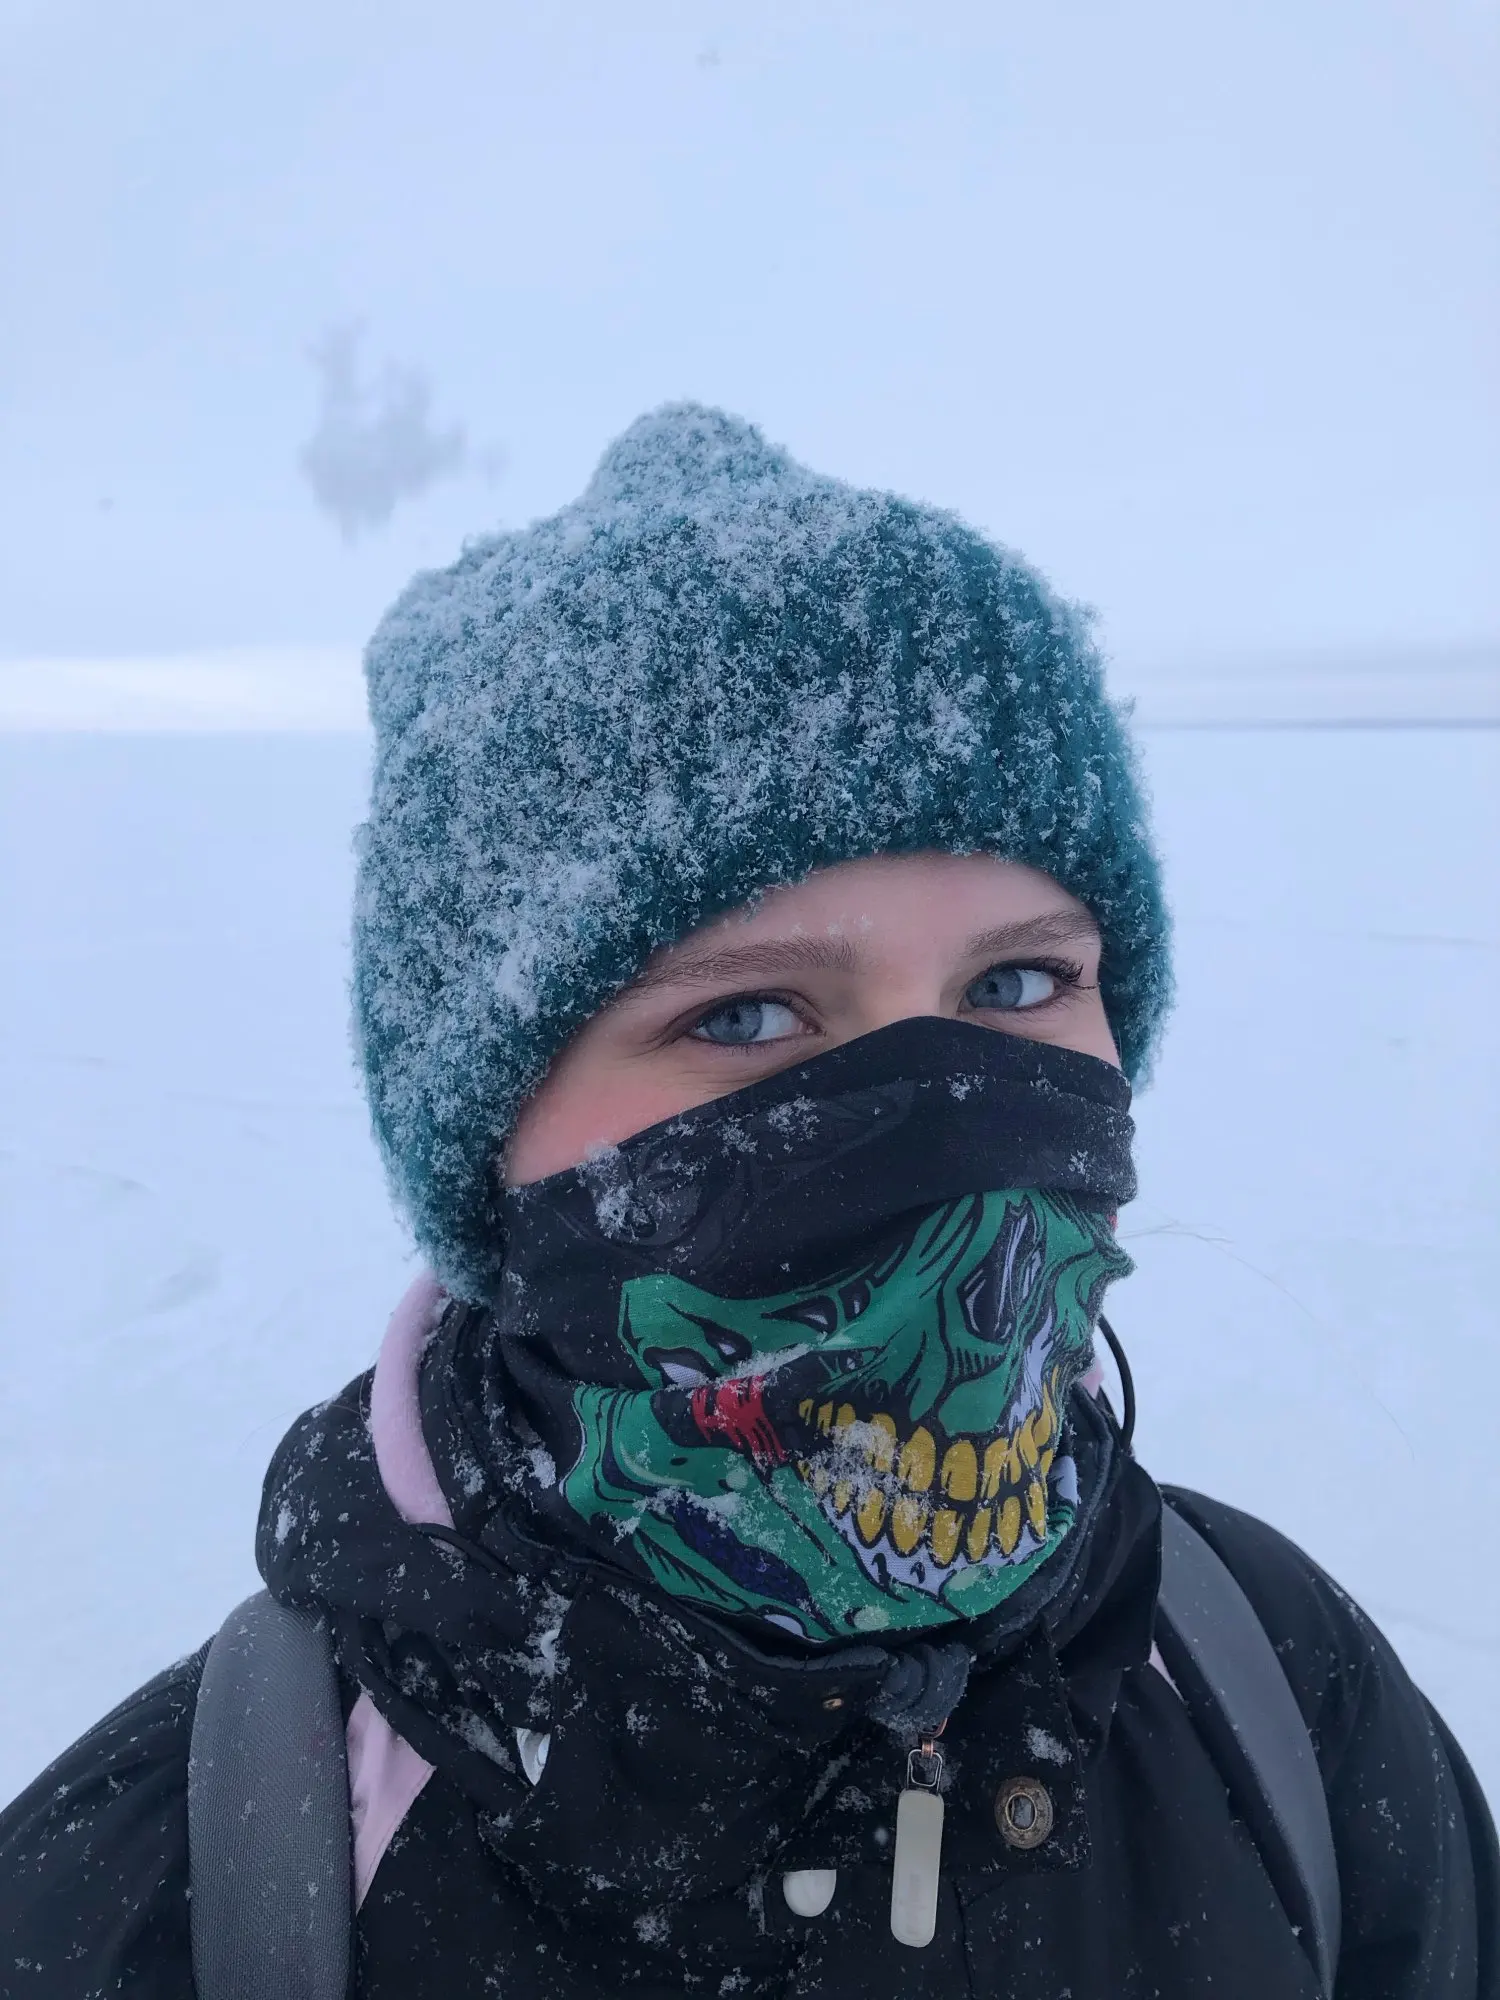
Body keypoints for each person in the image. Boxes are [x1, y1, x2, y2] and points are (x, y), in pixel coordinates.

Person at [1, 404, 1493, 1997]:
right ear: (486, 1141)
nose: (952, 1122)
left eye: (1020, 982)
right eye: (748, 1013)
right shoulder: (174, 1895)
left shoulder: (1275, 1687)